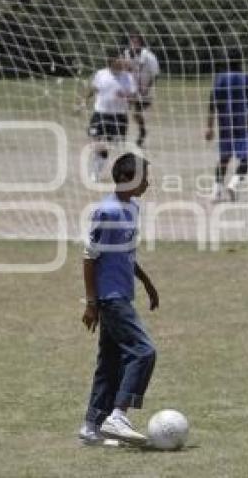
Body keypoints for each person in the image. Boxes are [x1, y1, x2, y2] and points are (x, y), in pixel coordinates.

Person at [79, 153, 159, 446]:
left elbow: (126, 253)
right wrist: (91, 303)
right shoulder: (107, 211)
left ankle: (91, 426)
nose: (148, 183)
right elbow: (89, 257)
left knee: (110, 361)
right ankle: (118, 415)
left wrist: (147, 283)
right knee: (144, 351)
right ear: (126, 177)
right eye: (143, 176)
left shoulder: (132, 208)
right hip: (110, 298)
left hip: (123, 293)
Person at [205, 49, 248, 202]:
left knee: (223, 159)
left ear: (226, 61)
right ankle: (234, 184)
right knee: (246, 158)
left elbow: (212, 103)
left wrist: (209, 127)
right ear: (241, 61)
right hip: (244, 124)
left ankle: (216, 191)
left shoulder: (220, 79)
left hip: (225, 125)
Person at [84, 53, 136, 182]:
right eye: (119, 59)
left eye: (123, 59)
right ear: (111, 61)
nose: (123, 61)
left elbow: (134, 97)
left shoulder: (128, 77)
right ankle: (95, 173)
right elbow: (94, 89)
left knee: (114, 146)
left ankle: (119, 171)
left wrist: (125, 96)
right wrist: (84, 100)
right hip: (100, 113)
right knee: (97, 142)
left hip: (118, 116)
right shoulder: (101, 74)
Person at [123, 33, 160, 147]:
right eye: (131, 42)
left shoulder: (149, 57)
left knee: (136, 114)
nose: (133, 45)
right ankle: (120, 135)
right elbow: (125, 69)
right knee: (121, 111)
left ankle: (142, 132)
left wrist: (146, 89)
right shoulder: (126, 54)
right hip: (131, 89)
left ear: (141, 44)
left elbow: (155, 74)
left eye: (136, 42)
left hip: (145, 90)